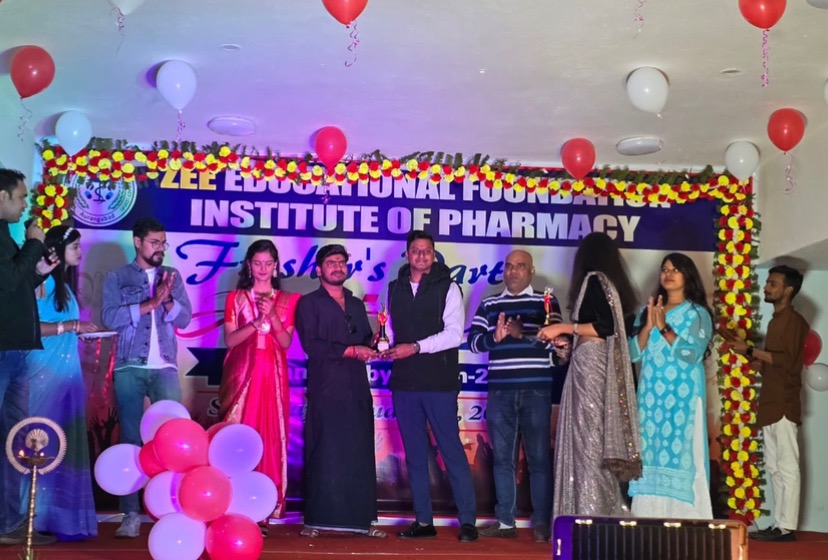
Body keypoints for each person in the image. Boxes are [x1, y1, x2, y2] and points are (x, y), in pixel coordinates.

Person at [538, 231, 642, 520]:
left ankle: (590, 513)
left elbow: (604, 327)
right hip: (589, 363)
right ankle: (589, 511)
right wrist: (568, 345)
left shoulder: (594, 279)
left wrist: (562, 328)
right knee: (588, 441)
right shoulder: (607, 283)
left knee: (589, 443)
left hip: (592, 369)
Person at [383, 230, 478, 543]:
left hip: (439, 382)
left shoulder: (448, 287)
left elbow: (454, 334)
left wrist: (415, 347)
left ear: (434, 254)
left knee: (451, 450)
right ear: (407, 254)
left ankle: (468, 521)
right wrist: (383, 344)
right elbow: (391, 330)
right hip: (404, 383)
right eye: (416, 250)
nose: (422, 256)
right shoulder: (394, 288)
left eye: (427, 251)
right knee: (414, 455)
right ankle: (423, 520)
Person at [468, 249, 568, 542]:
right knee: (502, 460)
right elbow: (473, 343)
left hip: (536, 390)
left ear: (532, 271)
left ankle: (542, 524)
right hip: (501, 391)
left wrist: (522, 335)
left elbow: (559, 346)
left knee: (538, 459)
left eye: (520, 266)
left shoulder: (545, 302)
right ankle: (505, 523)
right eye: (509, 266)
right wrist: (495, 337)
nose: (513, 271)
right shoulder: (490, 304)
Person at [102, 217, 192, 539]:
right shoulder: (118, 277)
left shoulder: (172, 276)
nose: (160, 248)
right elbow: (110, 317)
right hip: (129, 366)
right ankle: (130, 514)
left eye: (163, 243)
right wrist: (149, 303)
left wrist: (166, 301)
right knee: (130, 439)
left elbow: (185, 318)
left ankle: (170, 508)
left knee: (173, 439)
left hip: (164, 366)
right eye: (154, 242)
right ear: (137, 242)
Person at [294, 244, 385, 538]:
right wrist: (351, 351)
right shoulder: (308, 304)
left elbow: (365, 339)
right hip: (326, 387)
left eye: (342, 262)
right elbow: (311, 345)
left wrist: (376, 343)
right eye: (331, 262)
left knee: (358, 449)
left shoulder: (356, 304)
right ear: (319, 269)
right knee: (324, 449)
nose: (337, 267)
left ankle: (362, 521)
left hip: (356, 386)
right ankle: (316, 520)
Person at [25, 226, 99, 540]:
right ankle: (29, 517)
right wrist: (71, 326)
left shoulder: (65, 286)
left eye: (80, 246)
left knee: (63, 442)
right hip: (42, 371)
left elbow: (64, 328)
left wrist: (79, 332)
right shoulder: (42, 283)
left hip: (66, 373)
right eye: (75, 246)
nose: (80, 252)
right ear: (56, 249)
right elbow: (30, 325)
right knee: (38, 441)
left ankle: (55, 519)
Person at [627, 253, 714, 519]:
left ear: (688, 275)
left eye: (675, 269)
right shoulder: (648, 311)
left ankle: (690, 521)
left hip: (682, 400)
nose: (668, 274)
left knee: (686, 454)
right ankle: (647, 519)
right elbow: (632, 354)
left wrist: (665, 329)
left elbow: (692, 354)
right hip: (651, 398)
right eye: (664, 269)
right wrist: (648, 326)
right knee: (649, 454)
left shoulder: (698, 314)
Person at [727, 265, 808, 542]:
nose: (766, 287)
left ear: (788, 290)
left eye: (773, 284)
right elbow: (775, 364)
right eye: (767, 283)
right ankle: (779, 523)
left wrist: (751, 349)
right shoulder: (775, 321)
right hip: (770, 404)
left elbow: (788, 362)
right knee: (774, 468)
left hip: (784, 404)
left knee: (788, 468)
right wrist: (756, 360)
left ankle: (787, 527)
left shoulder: (795, 321)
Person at [220, 239, 299, 521]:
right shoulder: (236, 298)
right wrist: (254, 324)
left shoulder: (289, 300)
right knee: (240, 433)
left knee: (270, 436)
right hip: (242, 374)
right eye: (257, 263)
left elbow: (285, 342)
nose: (263, 269)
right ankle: (232, 502)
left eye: (268, 263)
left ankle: (264, 505)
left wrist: (273, 315)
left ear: (276, 266)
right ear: (249, 266)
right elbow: (230, 341)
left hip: (272, 377)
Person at [0, 169, 58, 546]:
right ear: (1, 196)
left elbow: (12, 287)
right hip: (3, 351)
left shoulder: (5, 235)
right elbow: (6, 281)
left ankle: (8, 523)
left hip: (14, 350)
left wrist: (39, 274)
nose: (25, 204)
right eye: (21, 197)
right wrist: (34, 244)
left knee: (12, 441)